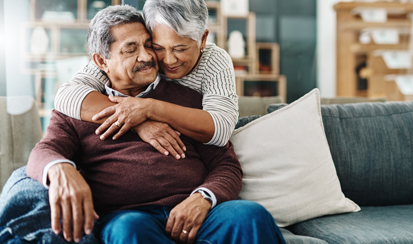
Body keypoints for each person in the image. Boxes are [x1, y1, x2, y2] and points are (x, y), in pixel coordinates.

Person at [2, 5, 286, 244]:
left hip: (198, 214)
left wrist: (203, 198)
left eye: (148, 45)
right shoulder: (79, 107)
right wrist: (61, 170)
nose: (148, 56)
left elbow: (226, 164)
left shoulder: (186, 99)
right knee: (130, 230)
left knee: (250, 216)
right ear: (102, 61)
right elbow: (43, 152)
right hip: (130, 216)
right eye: (131, 49)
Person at [55, 0, 238, 160]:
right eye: (157, 47)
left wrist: (149, 108)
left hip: (202, 139)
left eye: (180, 49)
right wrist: (139, 121)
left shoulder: (214, 60)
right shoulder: (131, 59)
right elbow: (66, 96)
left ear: (203, 39)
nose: (168, 60)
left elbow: (221, 129)